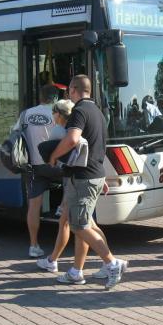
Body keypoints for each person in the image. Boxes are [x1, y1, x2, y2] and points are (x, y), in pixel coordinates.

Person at [47, 74, 128, 289]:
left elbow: (72, 139)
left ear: (73, 90)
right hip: (94, 174)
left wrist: (54, 155)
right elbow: (98, 146)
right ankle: (77, 271)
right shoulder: (98, 113)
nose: (68, 95)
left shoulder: (79, 111)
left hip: (82, 177)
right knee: (88, 224)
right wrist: (101, 177)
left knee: (79, 225)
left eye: (69, 91)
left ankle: (112, 263)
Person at [35, 99, 110, 278]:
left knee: (78, 225)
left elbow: (68, 147)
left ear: (59, 114)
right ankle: (59, 262)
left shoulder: (61, 131)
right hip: (87, 176)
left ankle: (107, 263)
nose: (52, 117)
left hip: (75, 180)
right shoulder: (89, 119)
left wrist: (52, 156)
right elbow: (92, 151)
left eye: (54, 113)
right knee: (80, 223)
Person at [14, 84, 62, 258]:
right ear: (55, 98)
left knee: (34, 206)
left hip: (34, 167)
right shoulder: (58, 113)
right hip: (56, 165)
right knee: (71, 184)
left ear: (40, 97)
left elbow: (15, 134)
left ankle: (33, 245)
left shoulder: (26, 114)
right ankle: (62, 208)